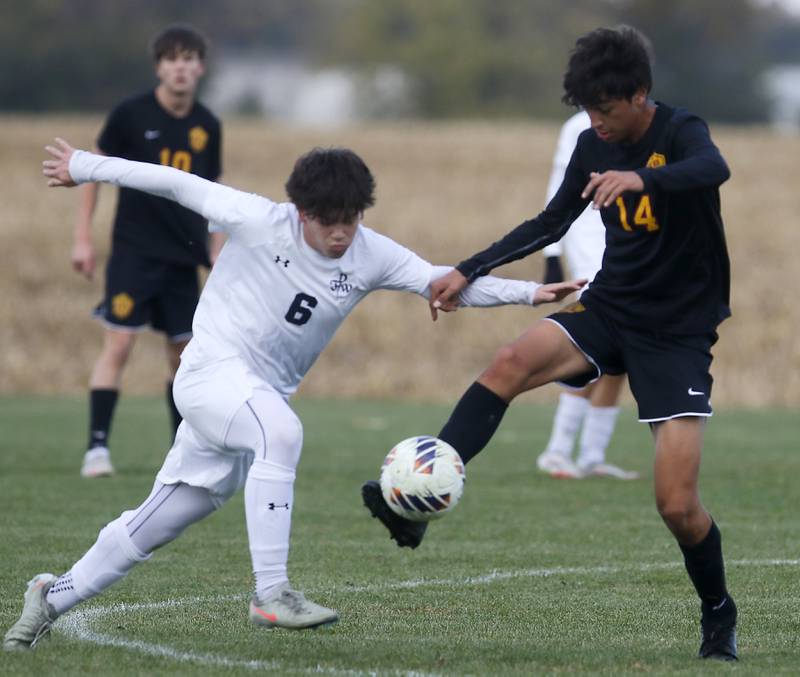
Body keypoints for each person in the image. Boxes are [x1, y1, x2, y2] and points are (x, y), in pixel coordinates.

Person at [2, 139, 584, 651]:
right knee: (281, 431)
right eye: (328, 220)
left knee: (161, 519)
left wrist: (530, 292)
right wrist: (84, 164)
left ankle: (50, 598)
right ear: (302, 212)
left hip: (248, 401)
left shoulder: (370, 253)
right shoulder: (257, 219)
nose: (340, 233)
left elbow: (444, 282)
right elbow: (173, 182)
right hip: (210, 376)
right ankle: (271, 592)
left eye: (350, 219)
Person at [363, 26, 738, 661]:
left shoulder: (679, 132)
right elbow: (549, 222)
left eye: (607, 110)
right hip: (611, 307)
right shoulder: (595, 145)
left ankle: (719, 612)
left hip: (676, 333)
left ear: (640, 95)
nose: (596, 123)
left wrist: (644, 181)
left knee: (677, 505)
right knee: (509, 362)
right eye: (588, 111)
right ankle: (416, 502)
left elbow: (714, 169)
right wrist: (468, 269)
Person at [71, 25, 223, 478]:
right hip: (134, 253)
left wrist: (217, 253)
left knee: (184, 357)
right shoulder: (129, 115)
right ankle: (96, 449)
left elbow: (213, 192)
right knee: (118, 343)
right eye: (171, 59)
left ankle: (184, 451)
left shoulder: (207, 124)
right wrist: (82, 237)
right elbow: (91, 171)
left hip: (184, 256)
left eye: (189, 58)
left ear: (200, 67)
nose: (181, 67)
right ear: (159, 67)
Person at [536, 111, 637, 481]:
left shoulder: (648, 121)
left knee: (622, 353)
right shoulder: (580, 125)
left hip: (629, 246)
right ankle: (558, 449)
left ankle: (592, 455)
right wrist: (551, 255)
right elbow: (558, 187)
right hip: (592, 245)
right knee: (596, 344)